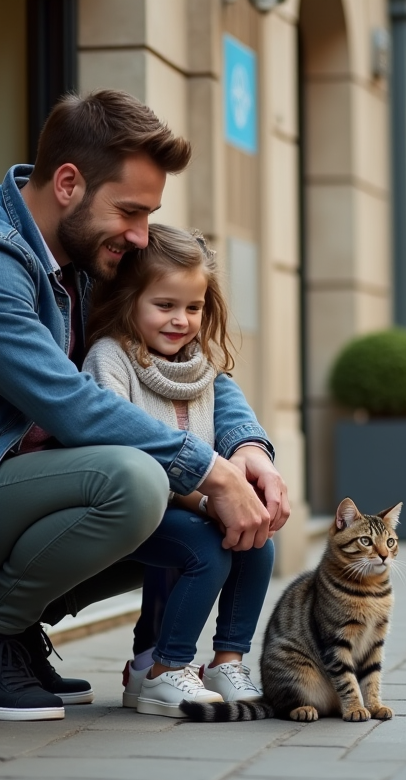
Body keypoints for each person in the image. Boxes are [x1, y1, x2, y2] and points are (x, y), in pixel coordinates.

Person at [0, 90, 290, 722]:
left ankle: (16, 630)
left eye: (149, 215)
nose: (140, 236)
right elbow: (70, 405)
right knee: (135, 481)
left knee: (192, 529)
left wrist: (247, 448)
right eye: (129, 211)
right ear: (69, 184)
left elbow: (190, 366)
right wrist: (212, 473)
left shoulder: (85, 261)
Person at [83, 224, 274, 716]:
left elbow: (231, 422)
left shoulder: (199, 365)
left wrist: (246, 484)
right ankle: (165, 669)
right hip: (124, 505)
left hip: (188, 504)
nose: (181, 320)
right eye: (164, 305)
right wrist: (210, 501)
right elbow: (114, 447)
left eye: (193, 307)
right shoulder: (110, 359)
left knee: (257, 543)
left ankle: (227, 663)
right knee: (204, 548)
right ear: (128, 300)